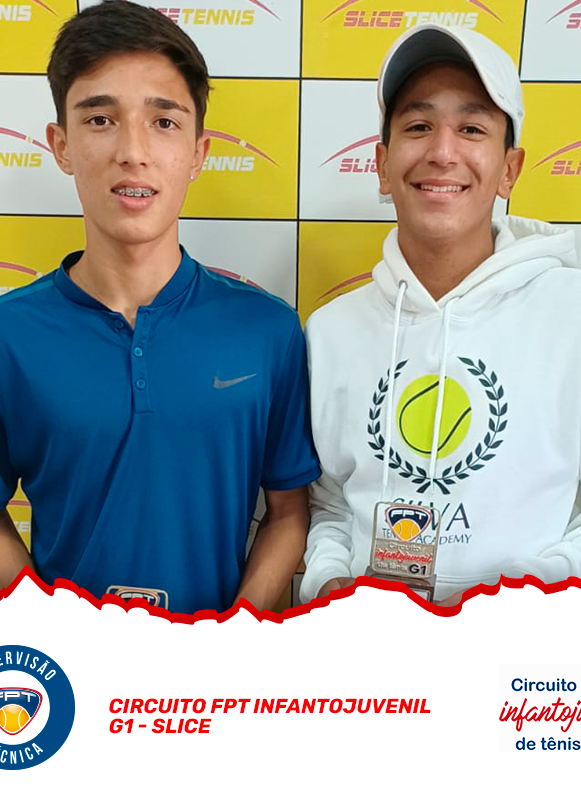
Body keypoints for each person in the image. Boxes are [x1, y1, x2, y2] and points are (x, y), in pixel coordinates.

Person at [0, 0, 320, 614]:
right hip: (65, 665)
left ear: (198, 152)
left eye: (164, 121)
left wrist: (236, 633)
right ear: (61, 145)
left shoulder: (267, 329)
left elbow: (288, 512)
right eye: (101, 119)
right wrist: (45, 620)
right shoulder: (10, 333)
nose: (133, 150)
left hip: (217, 664)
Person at [300, 23, 581, 607]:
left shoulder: (570, 313)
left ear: (509, 169)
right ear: (382, 164)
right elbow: (328, 504)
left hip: (524, 646)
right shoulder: (329, 332)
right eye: (418, 126)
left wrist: (521, 599)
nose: (442, 152)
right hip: (368, 643)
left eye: (472, 129)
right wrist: (329, 583)